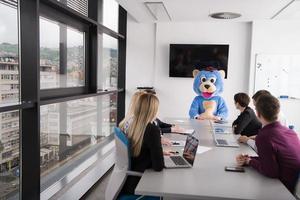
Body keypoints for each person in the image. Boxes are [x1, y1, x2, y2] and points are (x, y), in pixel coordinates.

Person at [236, 94, 300, 194]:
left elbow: (271, 171)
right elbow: (274, 160)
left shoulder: (264, 136)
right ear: (278, 111)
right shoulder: (290, 132)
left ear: (257, 113)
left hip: (282, 189)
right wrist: (250, 159)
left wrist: (249, 161)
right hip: (291, 185)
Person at [119, 93, 164, 196]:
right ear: (153, 110)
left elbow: (143, 149)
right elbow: (158, 167)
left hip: (129, 181)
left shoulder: (131, 123)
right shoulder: (152, 130)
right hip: (141, 183)